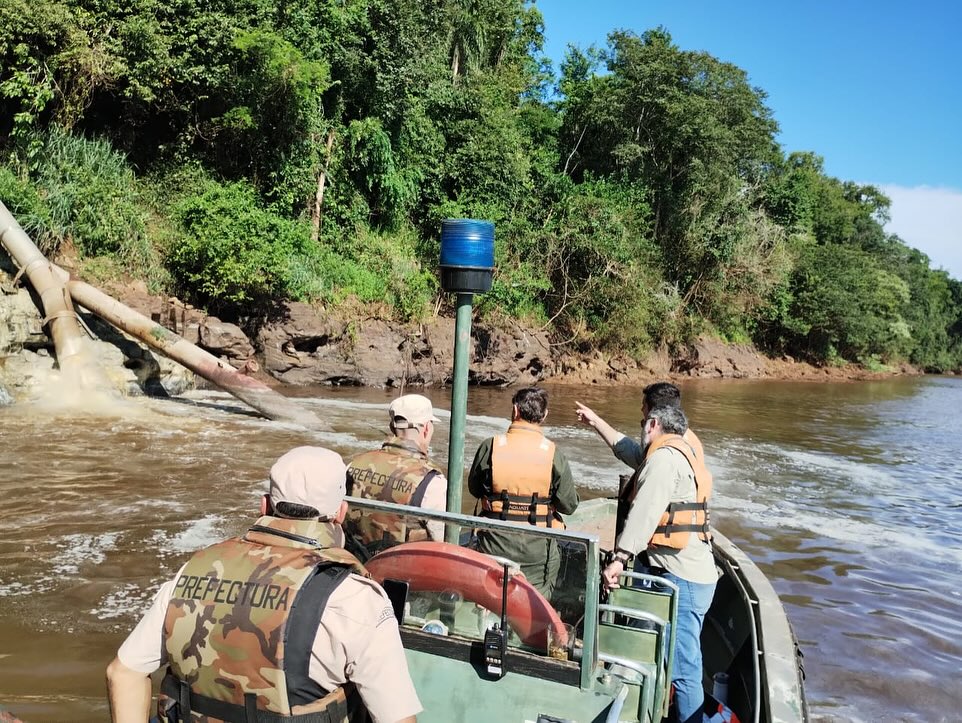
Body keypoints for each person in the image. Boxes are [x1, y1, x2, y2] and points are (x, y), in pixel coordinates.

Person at [105, 446, 421, 723]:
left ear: (264, 505)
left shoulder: (193, 570)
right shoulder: (353, 597)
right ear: (340, 512)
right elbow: (396, 717)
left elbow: (123, 673)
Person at [601, 406, 716, 723]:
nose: (641, 430)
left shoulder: (664, 460)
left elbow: (645, 511)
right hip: (688, 572)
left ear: (653, 425)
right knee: (678, 661)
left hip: (685, 578)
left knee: (683, 667)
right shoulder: (683, 452)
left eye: (642, 424)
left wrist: (620, 558)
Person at [467, 387, 579, 600]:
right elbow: (569, 505)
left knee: (488, 598)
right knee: (534, 601)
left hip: (494, 542)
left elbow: (474, 489)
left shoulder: (490, 446)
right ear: (544, 416)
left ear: (514, 410)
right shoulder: (554, 454)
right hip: (537, 550)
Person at [345, 394, 448, 552]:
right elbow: (444, 541)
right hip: (403, 570)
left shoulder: (354, 464)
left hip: (353, 563)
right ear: (427, 428)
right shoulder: (431, 481)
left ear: (392, 427)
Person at [575, 381, 704, 471]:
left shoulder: (667, 453)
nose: (641, 409)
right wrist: (595, 421)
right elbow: (636, 456)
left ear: (654, 412)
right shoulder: (679, 437)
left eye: (644, 405)